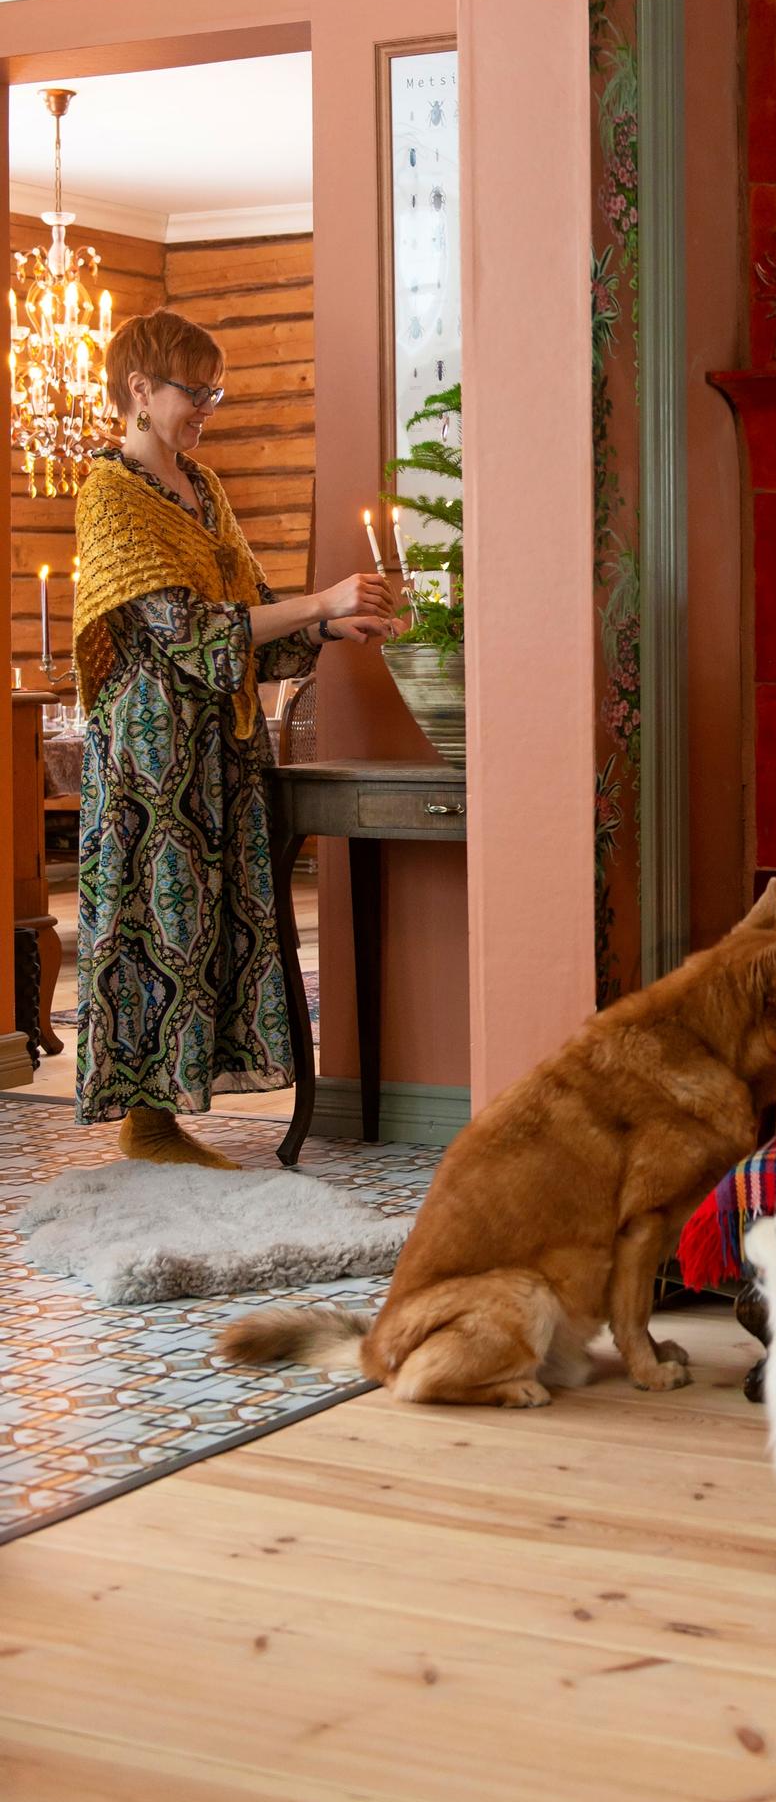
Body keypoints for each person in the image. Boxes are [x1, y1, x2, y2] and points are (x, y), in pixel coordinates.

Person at [72, 308, 397, 1168]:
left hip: (217, 744)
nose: (207, 406)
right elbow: (187, 630)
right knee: (154, 920)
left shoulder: (204, 488)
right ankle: (147, 1125)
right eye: (195, 389)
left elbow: (251, 625)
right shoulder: (106, 488)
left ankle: (173, 1118)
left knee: (207, 924)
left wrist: (330, 628)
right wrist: (319, 601)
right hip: (148, 749)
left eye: (215, 390)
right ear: (140, 389)